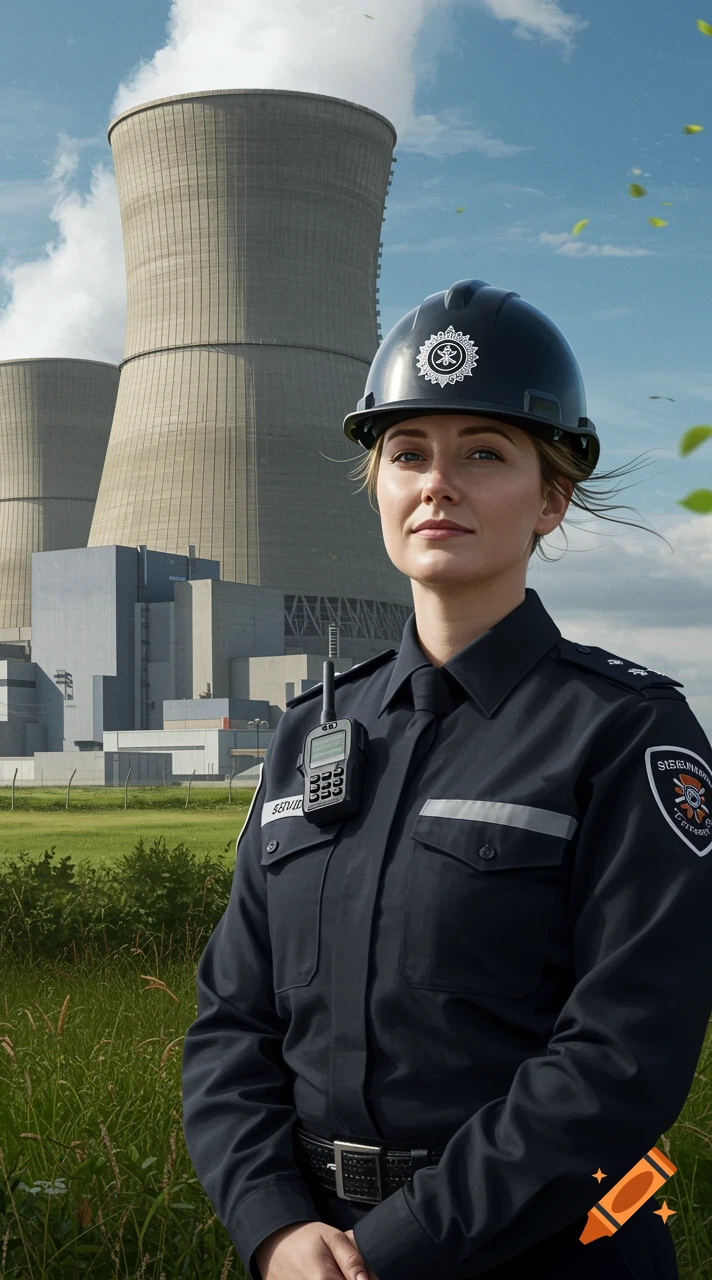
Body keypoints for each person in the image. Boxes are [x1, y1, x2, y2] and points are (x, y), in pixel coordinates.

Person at [181, 279, 712, 1280]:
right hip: (312, 1252)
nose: (438, 484)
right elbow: (230, 1020)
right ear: (376, 484)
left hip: (541, 1248)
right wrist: (272, 1225)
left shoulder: (621, 732)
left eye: (483, 452)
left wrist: (399, 1247)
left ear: (550, 496)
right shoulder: (307, 736)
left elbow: (619, 1052)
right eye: (407, 453)